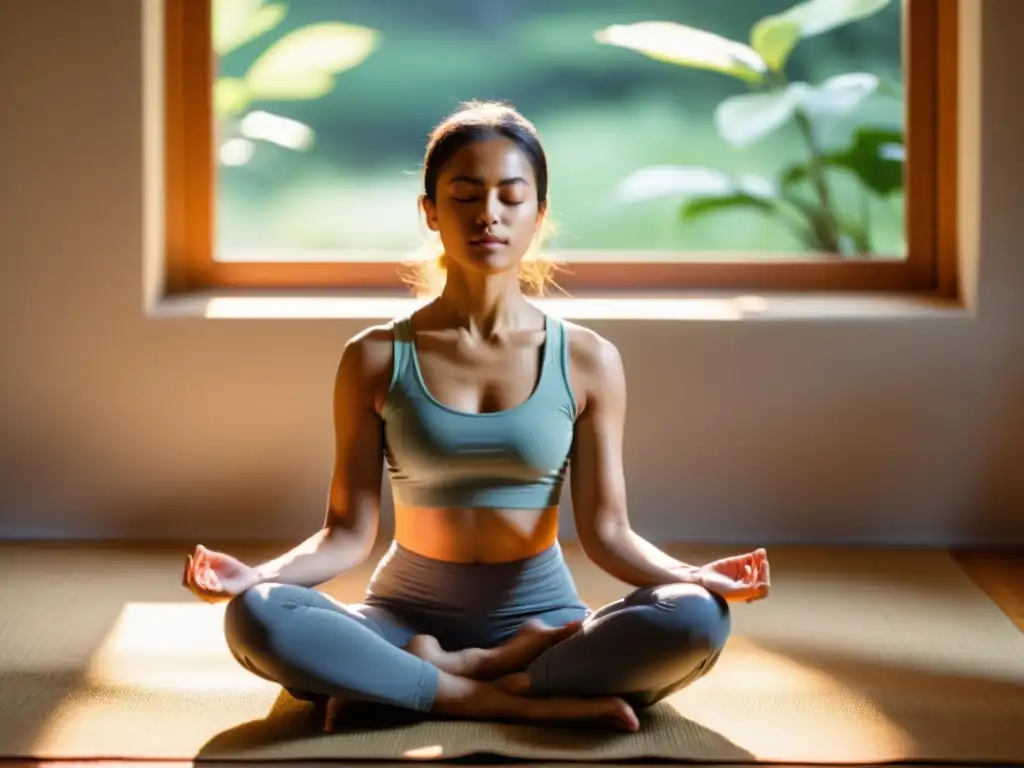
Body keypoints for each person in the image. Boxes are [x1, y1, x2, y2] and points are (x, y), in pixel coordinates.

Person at [182, 101, 771, 735]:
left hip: (545, 623)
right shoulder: (375, 356)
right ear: (430, 211)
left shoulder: (589, 360)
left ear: (538, 215)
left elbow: (608, 533)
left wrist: (694, 576)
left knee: (698, 619)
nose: (488, 213)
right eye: (464, 195)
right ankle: (510, 696)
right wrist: (256, 577)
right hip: (401, 620)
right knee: (257, 617)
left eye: (511, 197)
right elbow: (346, 533)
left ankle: (419, 683)